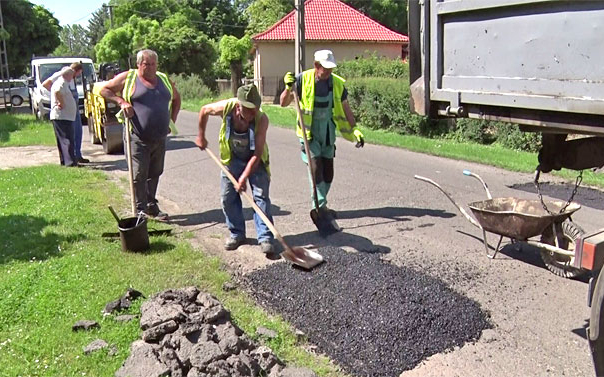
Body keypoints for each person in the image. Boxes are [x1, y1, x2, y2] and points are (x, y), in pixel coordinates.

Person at [279, 49, 364, 218]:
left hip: (327, 133)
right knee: (315, 168)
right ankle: (320, 207)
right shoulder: (303, 80)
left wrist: (355, 129)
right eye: (326, 68)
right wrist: (289, 88)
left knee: (328, 172)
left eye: (331, 68)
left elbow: (346, 108)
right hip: (308, 132)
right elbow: (283, 103)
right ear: (316, 66)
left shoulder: (337, 83)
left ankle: (321, 202)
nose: (329, 72)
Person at [100, 49, 181, 220]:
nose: (150, 68)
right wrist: (121, 102)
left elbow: (176, 100)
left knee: (156, 172)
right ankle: (140, 209)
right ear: (138, 64)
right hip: (136, 136)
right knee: (139, 174)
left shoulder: (164, 79)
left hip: (159, 137)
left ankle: (151, 205)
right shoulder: (129, 78)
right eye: (146, 64)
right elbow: (105, 91)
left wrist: (171, 121)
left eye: (153, 64)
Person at [195, 84, 275, 255]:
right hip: (232, 160)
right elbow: (203, 110)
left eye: (255, 109)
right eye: (249, 110)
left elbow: (258, 153)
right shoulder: (227, 108)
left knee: (260, 197)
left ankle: (266, 237)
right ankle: (237, 233)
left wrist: (244, 177)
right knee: (227, 197)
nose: (254, 113)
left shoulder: (262, 119)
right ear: (239, 106)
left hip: (256, 161)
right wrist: (201, 136)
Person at [43, 62, 89, 164]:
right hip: (64, 111)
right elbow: (47, 85)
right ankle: (71, 158)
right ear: (74, 71)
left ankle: (77, 155)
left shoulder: (69, 78)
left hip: (73, 108)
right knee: (69, 135)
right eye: (77, 74)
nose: (76, 76)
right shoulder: (61, 76)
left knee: (77, 132)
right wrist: (60, 99)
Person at [49, 67, 78, 167]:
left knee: (65, 139)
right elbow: (57, 92)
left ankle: (66, 161)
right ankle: (69, 162)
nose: (72, 77)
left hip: (65, 116)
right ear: (68, 75)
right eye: (72, 75)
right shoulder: (61, 82)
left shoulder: (63, 82)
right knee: (66, 139)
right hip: (62, 116)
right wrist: (61, 103)